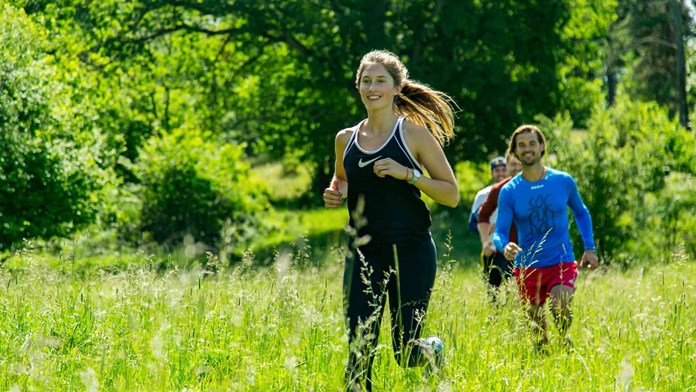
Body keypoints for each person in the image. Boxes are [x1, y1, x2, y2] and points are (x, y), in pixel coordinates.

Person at [322, 49, 459, 391]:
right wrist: (335, 191)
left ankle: (433, 350)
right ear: (358, 87)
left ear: (397, 88)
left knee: (405, 351)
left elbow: (451, 193)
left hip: (411, 251)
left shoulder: (412, 135)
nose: (372, 87)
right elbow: (342, 178)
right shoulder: (345, 139)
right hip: (364, 253)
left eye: (380, 80)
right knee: (359, 350)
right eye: (366, 81)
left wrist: (409, 174)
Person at [492, 125, 599, 350]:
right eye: (521, 145)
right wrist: (505, 246)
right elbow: (499, 231)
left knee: (560, 305)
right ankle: (545, 357)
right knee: (538, 334)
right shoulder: (510, 191)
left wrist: (589, 247)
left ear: (541, 147)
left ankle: (564, 339)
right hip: (527, 267)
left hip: (561, 260)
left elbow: (581, 212)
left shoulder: (562, 181)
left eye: (532, 143)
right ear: (514, 152)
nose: (527, 148)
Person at [476, 151, 522, 297]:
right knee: (495, 292)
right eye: (513, 164)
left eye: (519, 164)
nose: (516, 168)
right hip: (503, 249)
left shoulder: (539, 185)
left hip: (531, 248)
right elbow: (482, 216)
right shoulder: (498, 190)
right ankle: (498, 318)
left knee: (525, 295)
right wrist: (485, 241)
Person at [467, 156, 508, 233]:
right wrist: (489, 230)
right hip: (491, 242)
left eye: (504, 170)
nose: (501, 173)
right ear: (491, 173)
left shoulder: (517, 192)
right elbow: (473, 224)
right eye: (497, 170)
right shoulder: (483, 194)